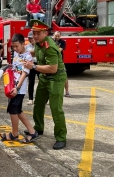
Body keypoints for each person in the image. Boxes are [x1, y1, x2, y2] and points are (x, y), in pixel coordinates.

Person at [23, 20, 68, 150]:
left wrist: (33, 66)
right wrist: (25, 54)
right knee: (38, 104)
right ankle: (38, 128)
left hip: (56, 78)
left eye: (38, 33)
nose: (35, 36)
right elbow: (37, 53)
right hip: (44, 77)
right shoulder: (38, 43)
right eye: (34, 33)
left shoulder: (51, 47)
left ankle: (61, 137)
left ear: (45, 33)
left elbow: (53, 68)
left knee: (56, 109)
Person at [0, 33, 39, 143]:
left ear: (23, 44)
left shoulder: (27, 57)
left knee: (13, 110)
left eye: (17, 46)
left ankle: (14, 134)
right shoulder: (16, 55)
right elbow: (15, 68)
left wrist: (17, 88)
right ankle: (32, 132)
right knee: (17, 110)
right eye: (13, 46)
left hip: (18, 89)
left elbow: (24, 73)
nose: (15, 48)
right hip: (12, 87)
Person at [53, 31, 70, 97]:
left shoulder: (62, 42)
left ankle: (67, 91)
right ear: (53, 35)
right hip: (52, 61)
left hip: (60, 61)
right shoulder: (50, 41)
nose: (57, 37)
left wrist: (52, 49)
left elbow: (59, 50)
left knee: (64, 77)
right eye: (56, 35)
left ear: (60, 36)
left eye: (58, 36)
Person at [25, 31, 38, 105]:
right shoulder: (27, 46)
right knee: (31, 82)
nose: (31, 40)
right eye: (29, 38)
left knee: (42, 81)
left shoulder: (39, 45)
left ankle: (46, 98)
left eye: (32, 38)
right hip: (31, 64)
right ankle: (30, 98)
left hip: (39, 64)